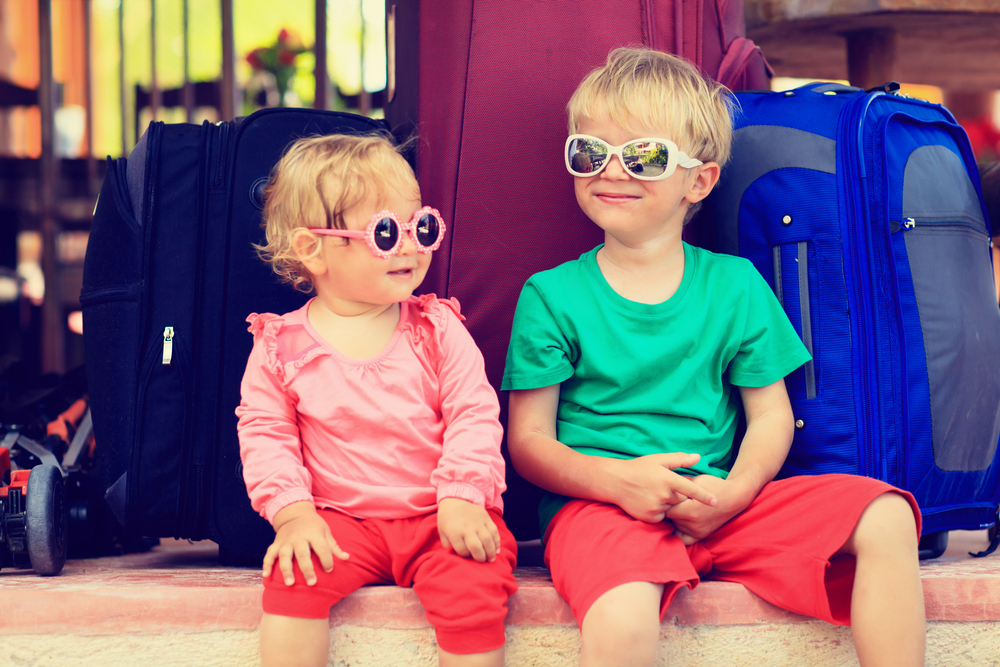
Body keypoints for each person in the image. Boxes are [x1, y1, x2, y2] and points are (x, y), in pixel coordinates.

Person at [503, 48, 925, 667]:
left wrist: (735, 494)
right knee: (620, 612)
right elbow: (530, 441)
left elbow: (771, 418)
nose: (610, 171)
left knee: (886, 515)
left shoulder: (735, 285)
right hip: (601, 508)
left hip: (721, 501)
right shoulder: (551, 295)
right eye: (589, 152)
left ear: (698, 180)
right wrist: (617, 483)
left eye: (643, 156)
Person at [237, 134, 517, 667]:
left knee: (474, 583)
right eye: (386, 233)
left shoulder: (436, 329)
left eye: (421, 226)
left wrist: (463, 495)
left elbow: (474, 414)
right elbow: (266, 435)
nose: (411, 245)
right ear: (312, 249)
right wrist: (293, 517)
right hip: (339, 519)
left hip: (441, 515)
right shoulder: (281, 346)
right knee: (293, 577)